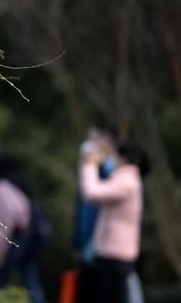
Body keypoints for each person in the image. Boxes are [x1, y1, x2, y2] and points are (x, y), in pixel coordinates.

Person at [79, 142, 147, 303]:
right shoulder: (123, 179)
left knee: (114, 297)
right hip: (112, 251)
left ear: (123, 159)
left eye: (115, 156)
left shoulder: (126, 182)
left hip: (117, 253)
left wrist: (89, 165)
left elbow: (92, 193)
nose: (112, 160)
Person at [0, 151, 46, 303]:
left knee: (2, 284)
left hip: (14, 239)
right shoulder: (17, 186)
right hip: (27, 239)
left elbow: (4, 222)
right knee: (30, 282)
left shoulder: (1, 188)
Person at [74, 125, 118, 302]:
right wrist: (77, 243)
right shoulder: (89, 180)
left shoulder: (110, 173)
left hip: (104, 244)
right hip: (87, 244)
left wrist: (91, 166)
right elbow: (80, 213)